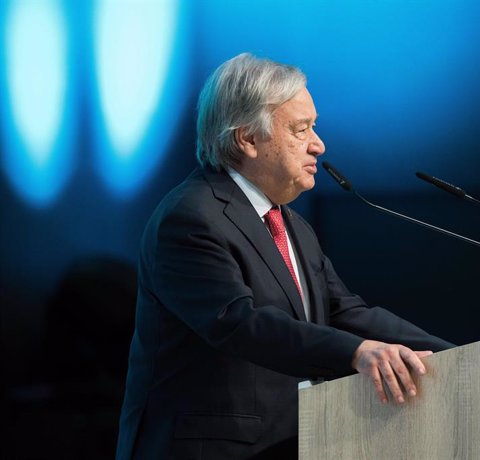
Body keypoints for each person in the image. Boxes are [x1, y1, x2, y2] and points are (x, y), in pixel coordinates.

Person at [116, 53, 454, 460]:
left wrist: (456, 351)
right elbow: (239, 323)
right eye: (301, 129)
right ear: (248, 139)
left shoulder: (289, 222)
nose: (319, 144)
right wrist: (355, 351)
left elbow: (345, 312)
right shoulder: (189, 218)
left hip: (288, 443)